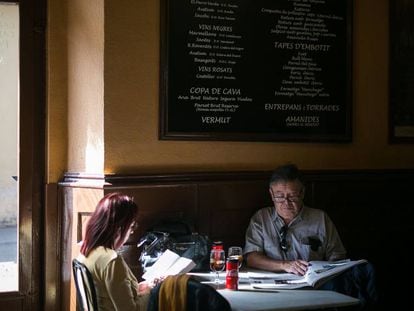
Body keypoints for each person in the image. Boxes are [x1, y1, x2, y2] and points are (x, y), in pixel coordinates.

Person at [244, 164, 378, 309]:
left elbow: (337, 257)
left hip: (315, 287)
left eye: (292, 196)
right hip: (273, 289)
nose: (286, 203)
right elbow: (252, 258)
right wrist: (285, 265)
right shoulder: (261, 218)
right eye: (279, 196)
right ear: (271, 194)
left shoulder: (320, 218)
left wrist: (325, 272)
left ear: (302, 193)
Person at [77, 192, 153, 310]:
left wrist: (138, 288)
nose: (130, 232)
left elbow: (108, 294)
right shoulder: (111, 260)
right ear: (120, 228)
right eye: (131, 226)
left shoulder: (85, 252)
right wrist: (149, 292)